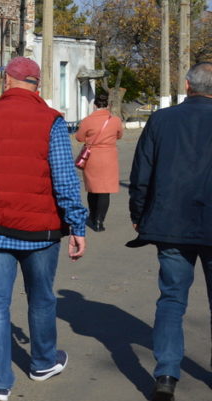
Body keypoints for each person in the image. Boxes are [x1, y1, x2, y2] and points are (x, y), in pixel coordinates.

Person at [0, 56, 87, 401]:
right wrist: (77, 225)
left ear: (9, 81)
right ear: (36, 85)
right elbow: (64, 178)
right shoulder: (50, 120)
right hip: (40, 231)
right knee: (41, 298)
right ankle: (42, 362)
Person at [128, 61, 212, 401]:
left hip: (170, 225)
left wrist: (138, 212)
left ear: (188, 86)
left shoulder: (162, 119)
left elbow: (141, 170)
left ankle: (165, 375)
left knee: (172, 300)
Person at [75, 93, 124, 231]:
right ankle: (99, 221)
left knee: (93, 188)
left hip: (92, 157)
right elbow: (120, 135)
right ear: (107, 105)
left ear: (95, 105)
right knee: (105, 190)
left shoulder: (87, 120)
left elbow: (79, 138)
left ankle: (92, 216)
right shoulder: (115, 120)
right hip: (109, 157)